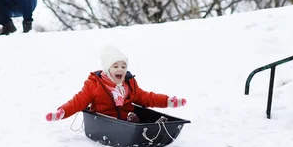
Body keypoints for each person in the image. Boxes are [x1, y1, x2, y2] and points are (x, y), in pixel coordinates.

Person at [45, 46, 187, 122]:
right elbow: (78, 101)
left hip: (126, 119)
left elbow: (147, 98)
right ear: (107, 69)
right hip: (106, 122)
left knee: (135, 118)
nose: (120, 70)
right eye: (116, 66)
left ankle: (157, 126)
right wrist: (61, 112)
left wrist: (168, 101)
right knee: (131, 123)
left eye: (123, 66)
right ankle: (139, 125)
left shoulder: (128, 84)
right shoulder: (94, 85)